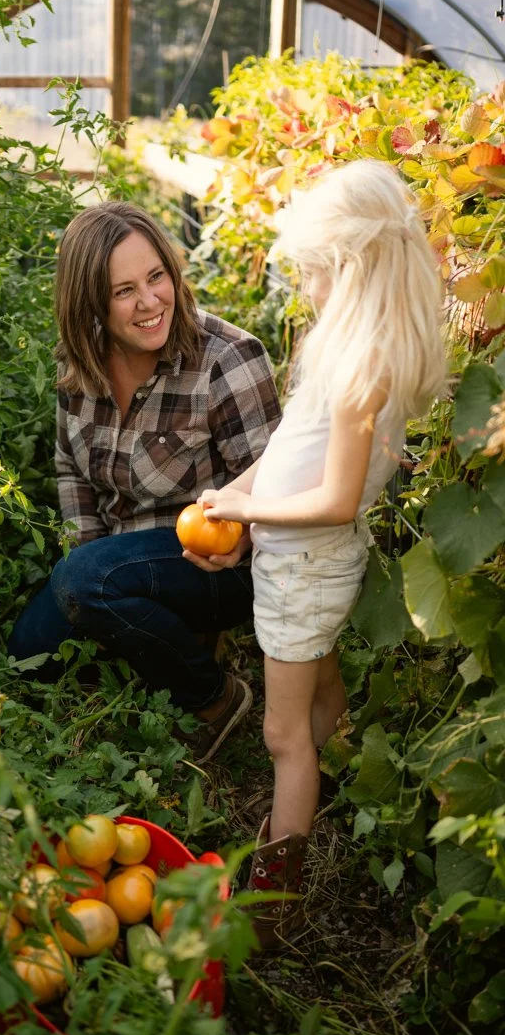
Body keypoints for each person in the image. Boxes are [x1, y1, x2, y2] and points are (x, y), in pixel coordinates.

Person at [199, 160, 447, 945]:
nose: (305, 289)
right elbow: (288, 455)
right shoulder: (346, 359)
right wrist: (237, 495)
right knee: (320, 685)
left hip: (304, 569)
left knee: (283, 735)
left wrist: (245, 507)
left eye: (311, 273)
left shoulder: (358, 377)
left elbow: (334, 499)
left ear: (347, 267)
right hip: (308, 564)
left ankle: (274, 895)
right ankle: (315, 782)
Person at [8, 201, 281, 759]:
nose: (150, 301)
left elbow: (275, 482)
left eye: (156, 277)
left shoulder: (227, 360)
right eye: (123, 290)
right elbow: (69, 466)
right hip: (116, 560)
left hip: (216, 565)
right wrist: (92, 563)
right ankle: (127, 616)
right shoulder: (79, 364)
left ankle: (215, 697)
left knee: (86, 583)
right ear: (92, 304)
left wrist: (240, 539)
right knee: (24, 658)